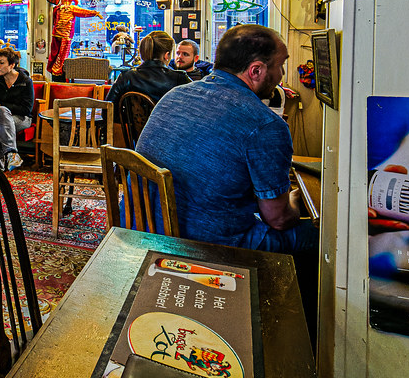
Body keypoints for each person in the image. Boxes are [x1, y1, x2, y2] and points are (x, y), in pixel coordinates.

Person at [136, 24, 317, 253]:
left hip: (144, 226)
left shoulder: (175, 95)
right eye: (281, 66)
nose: (281, 75)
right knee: (325, 236)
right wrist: (299, 199)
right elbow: (278, 219)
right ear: (256, 71)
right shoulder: (266, 125)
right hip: (208, 245)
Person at [0, 47, 34, 171]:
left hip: (21, 118)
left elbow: (26, 109)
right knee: (0, 114)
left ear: (12, 65)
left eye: (1, 63)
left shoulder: (25, 81)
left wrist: (3, 105)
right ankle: (12, 154)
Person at [105, 30, 190, 108]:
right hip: (168, 124)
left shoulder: (126, 77)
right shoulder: (180, 78)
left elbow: (107, 109)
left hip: (133, 124)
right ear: (166, 55)